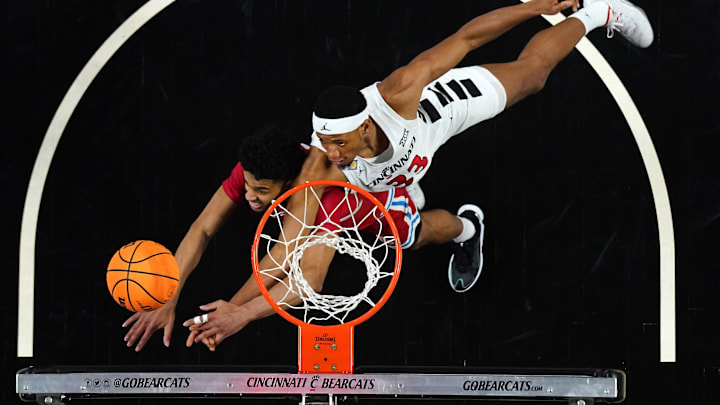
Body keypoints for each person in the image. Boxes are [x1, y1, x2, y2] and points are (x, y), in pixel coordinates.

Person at [284, 0, 652, 292]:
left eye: (339, 143)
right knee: (409, 239)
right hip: (389, 177)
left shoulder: (400, 91)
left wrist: (533, 8)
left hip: (442, 114)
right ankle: (467, 228)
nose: (331, 153)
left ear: (364, 126)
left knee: (534, 75)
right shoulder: (325, 156)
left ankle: (600, 12)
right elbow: (287, 241)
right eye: (326, 143)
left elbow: (466, 39)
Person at [122, 128, 421, 351]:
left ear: (289, 183)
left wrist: (236, 313)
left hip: (377, 207)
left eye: (261, 192)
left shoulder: (326, 200)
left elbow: (308, 278)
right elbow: (202, 229)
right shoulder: (256, 170)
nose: (250, 196)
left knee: (419, 236)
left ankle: (465, 227)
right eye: (248, 187)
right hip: (319, 202)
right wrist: (168, 295)